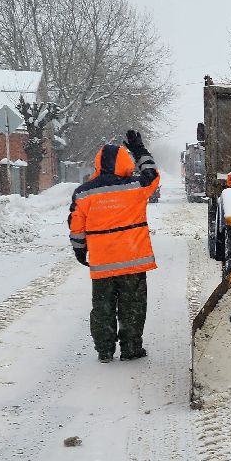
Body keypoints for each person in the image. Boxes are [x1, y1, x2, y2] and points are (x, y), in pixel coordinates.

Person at [68, 130, 160, 362]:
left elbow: (76, 226)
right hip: (133, 261)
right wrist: (139, 149)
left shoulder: (84, 193)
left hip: (102, 263)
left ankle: (104, 350)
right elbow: (152, 174)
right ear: (124, 163)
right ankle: (131, 349)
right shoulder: (135, 187)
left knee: (102, 308)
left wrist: (80, 250)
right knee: (133, 308)